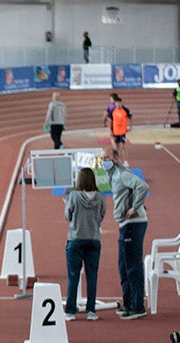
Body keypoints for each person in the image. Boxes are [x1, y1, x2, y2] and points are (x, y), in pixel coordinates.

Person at [101, 146, 149, 320]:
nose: (103, 162)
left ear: (115, 158)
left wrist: (134, 208)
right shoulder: (113, 175)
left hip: (133, 224)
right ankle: (128, 304)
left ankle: (138, 307)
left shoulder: (123, 174)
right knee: (123, 266)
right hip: (125, 224)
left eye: (106, 158)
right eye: (101, 159)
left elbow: (142, 187)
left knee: (133, 266)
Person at [63, 167, 105, 321]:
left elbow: (67, 215)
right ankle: (91, 311)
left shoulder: (73, 196)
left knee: (73, 276)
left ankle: (70, 311)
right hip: (93, 239)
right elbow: (101, 215)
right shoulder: (101, 197)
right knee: (92, 276)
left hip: (75, 239)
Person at [106, 95, 132, 166]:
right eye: (117, 103)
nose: (118, 104)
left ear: (121, 103)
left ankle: (126, 161)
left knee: (122, 145)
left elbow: (130, 118)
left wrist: (130, 126)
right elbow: (110, 121)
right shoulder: (112, 111)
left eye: (119, 103)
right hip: (115, 131)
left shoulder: (125, 110)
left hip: (122, 131)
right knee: (116, 147)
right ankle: (117, 160)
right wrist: (110, 130)